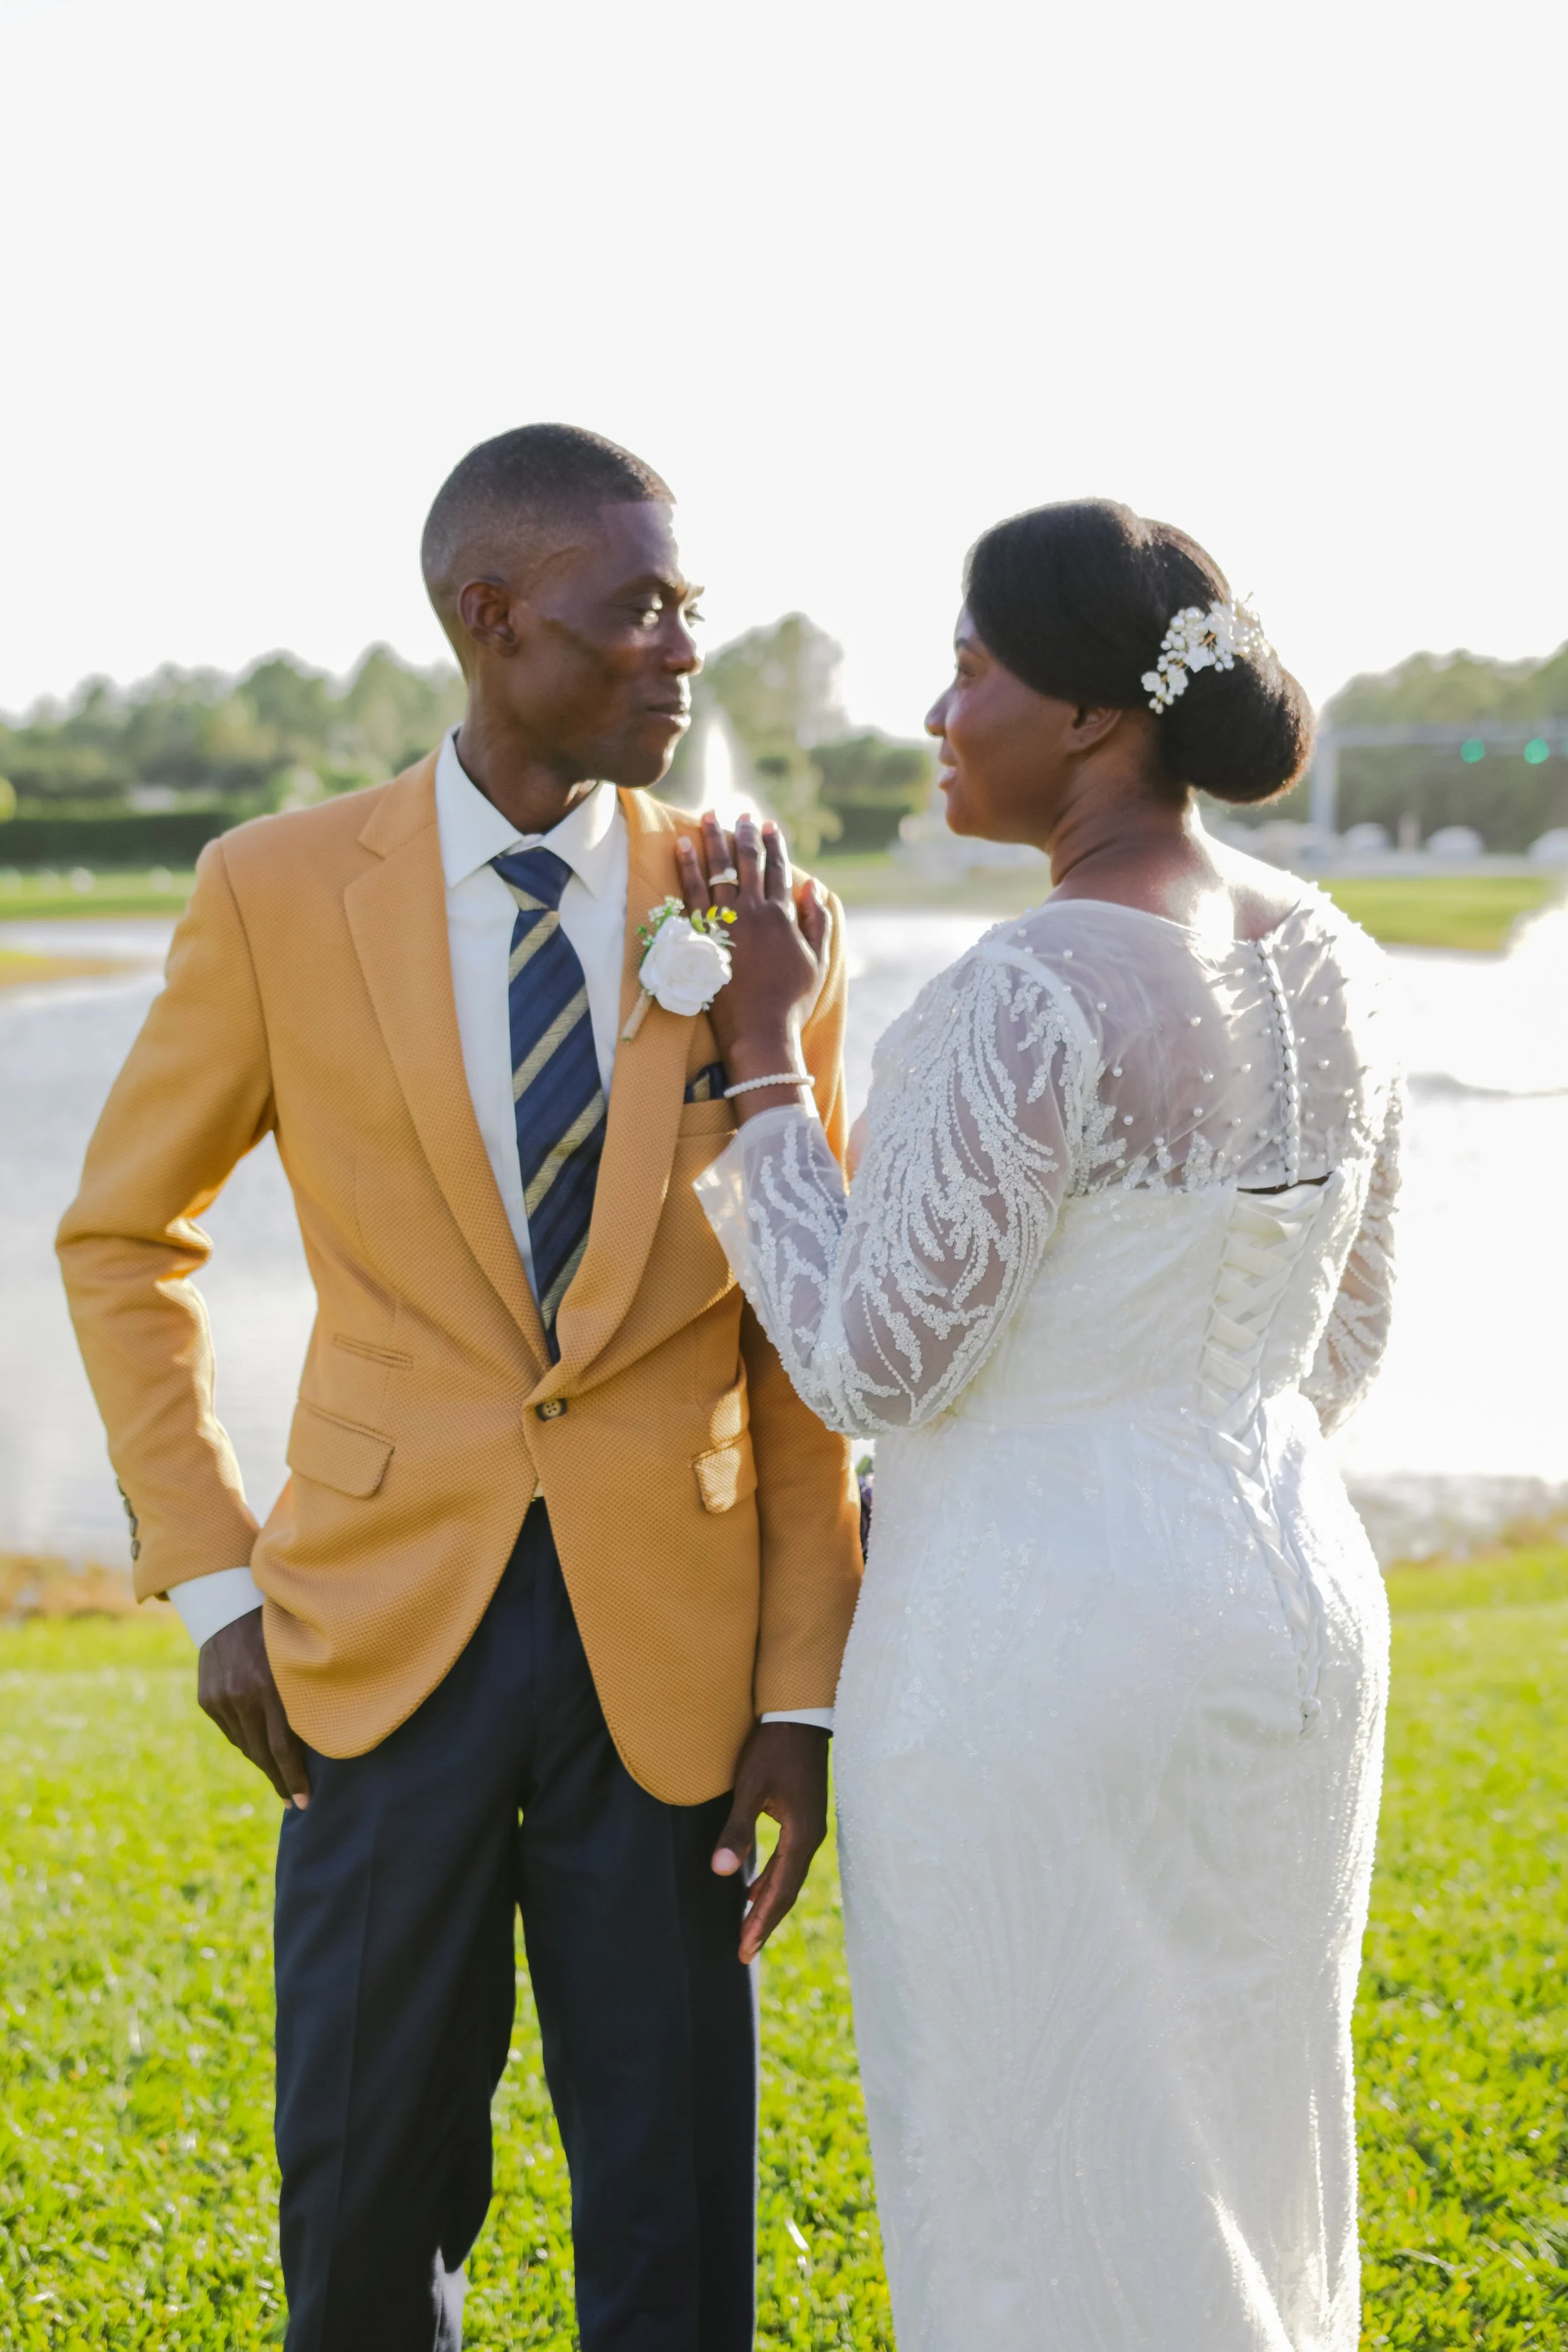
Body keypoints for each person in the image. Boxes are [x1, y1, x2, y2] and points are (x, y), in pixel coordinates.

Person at [56, 424, 863, 2352]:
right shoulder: (270, 890)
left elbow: (801, 1322)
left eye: (691, 609)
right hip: (367, 1631)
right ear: (491, 622)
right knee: (359, 2193)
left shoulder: (757, 913)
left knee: (674, 2209)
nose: (682, 652)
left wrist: (801, 1684)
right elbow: (120, 1236)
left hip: (671, 1657)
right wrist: (218, 1574)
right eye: (637, 612)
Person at [682, 499, 1401, 2351]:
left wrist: (764, 1057)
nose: (940, 707)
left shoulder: (1030, 987)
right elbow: (1348, 1331)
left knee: (1025, 2148)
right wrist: (1163, 1435)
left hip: (1034, 1643)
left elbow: (865, 1363)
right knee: (1238, 2121)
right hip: (1288, 1608)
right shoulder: (1335, 958)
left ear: (1092, 718)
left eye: (972, 665)